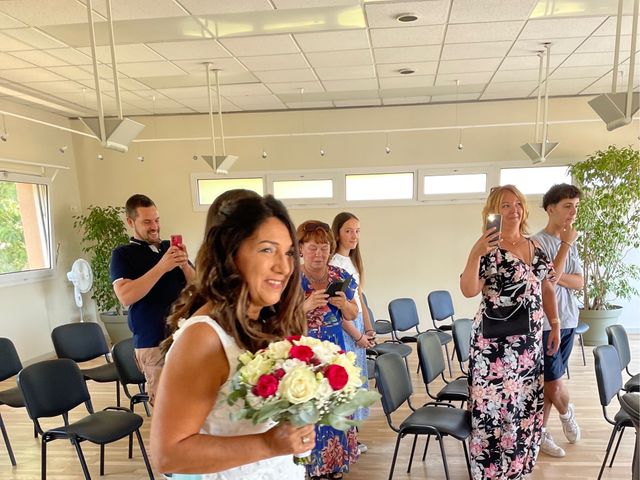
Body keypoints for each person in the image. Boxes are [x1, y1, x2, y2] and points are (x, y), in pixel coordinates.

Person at [150, 195, 314, 479]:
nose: (284, 267)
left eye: (288, 252)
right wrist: (267, 444)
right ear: (230, 254)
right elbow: (169, 454)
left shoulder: (263, 319)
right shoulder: (203, 337)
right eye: (267, 250)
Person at [460, 185, 561, 480]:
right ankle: (491, 471)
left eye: (518, 204)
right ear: (494, 211)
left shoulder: (534, 246)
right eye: (505, 205)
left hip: (527, 345)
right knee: (492, 407)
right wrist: (475, 252)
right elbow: (468, 289)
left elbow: (547, 285)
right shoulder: (487, 249)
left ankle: (516, 467)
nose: (514, 210)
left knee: (522, 405)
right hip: (493, 345)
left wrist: (554, 324)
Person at [110, 194, 195, 405]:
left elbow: (199, 287)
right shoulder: (122, 254)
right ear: (131, 222)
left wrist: (184, 264)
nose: (155, 226)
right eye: (147, 222)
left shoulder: (169, 248)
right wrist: (161, 267)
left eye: (156, 220)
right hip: (153, 343)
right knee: (166, 407)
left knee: (190, 402)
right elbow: (125, 296)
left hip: (183, 338)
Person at [298, 220, 359, 480]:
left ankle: (334, 466)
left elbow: (353, 313)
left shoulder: (339, 276)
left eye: (324, 248)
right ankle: (310, 468)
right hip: (304, 354)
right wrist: (306, 305)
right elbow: (277, 320)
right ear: (301, 249)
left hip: (335, 352)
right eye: (312, 248)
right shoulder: (290, 279)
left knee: (335, 408)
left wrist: (344, 304)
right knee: (310, 410)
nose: (319, 254)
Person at [532, 183, 583, 458]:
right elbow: (545, 281)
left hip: (569, 319)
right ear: (550, 209)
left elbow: (578, 282)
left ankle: (540, 433)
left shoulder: (571, 242)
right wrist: (564, 245)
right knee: (553, 381)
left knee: (548, 382)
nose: (573, 213)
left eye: (576, 207)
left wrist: (554, 275)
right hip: (546, 324)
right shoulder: (537, 242)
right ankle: (567, 414)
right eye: (567, 206)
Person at [329, 212, 375, 453]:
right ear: (337, 233)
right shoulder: (334, 264)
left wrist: (368, 327)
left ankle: (352, 439)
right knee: (346, 387)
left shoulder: (352, 262)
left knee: (355, 385)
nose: (354, 236)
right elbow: (339, 312)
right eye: (348, 230)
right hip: (346, 330)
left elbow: (360, 299)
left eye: (357, 231)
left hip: (356, 324)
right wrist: (358, 336)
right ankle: (346, 443)